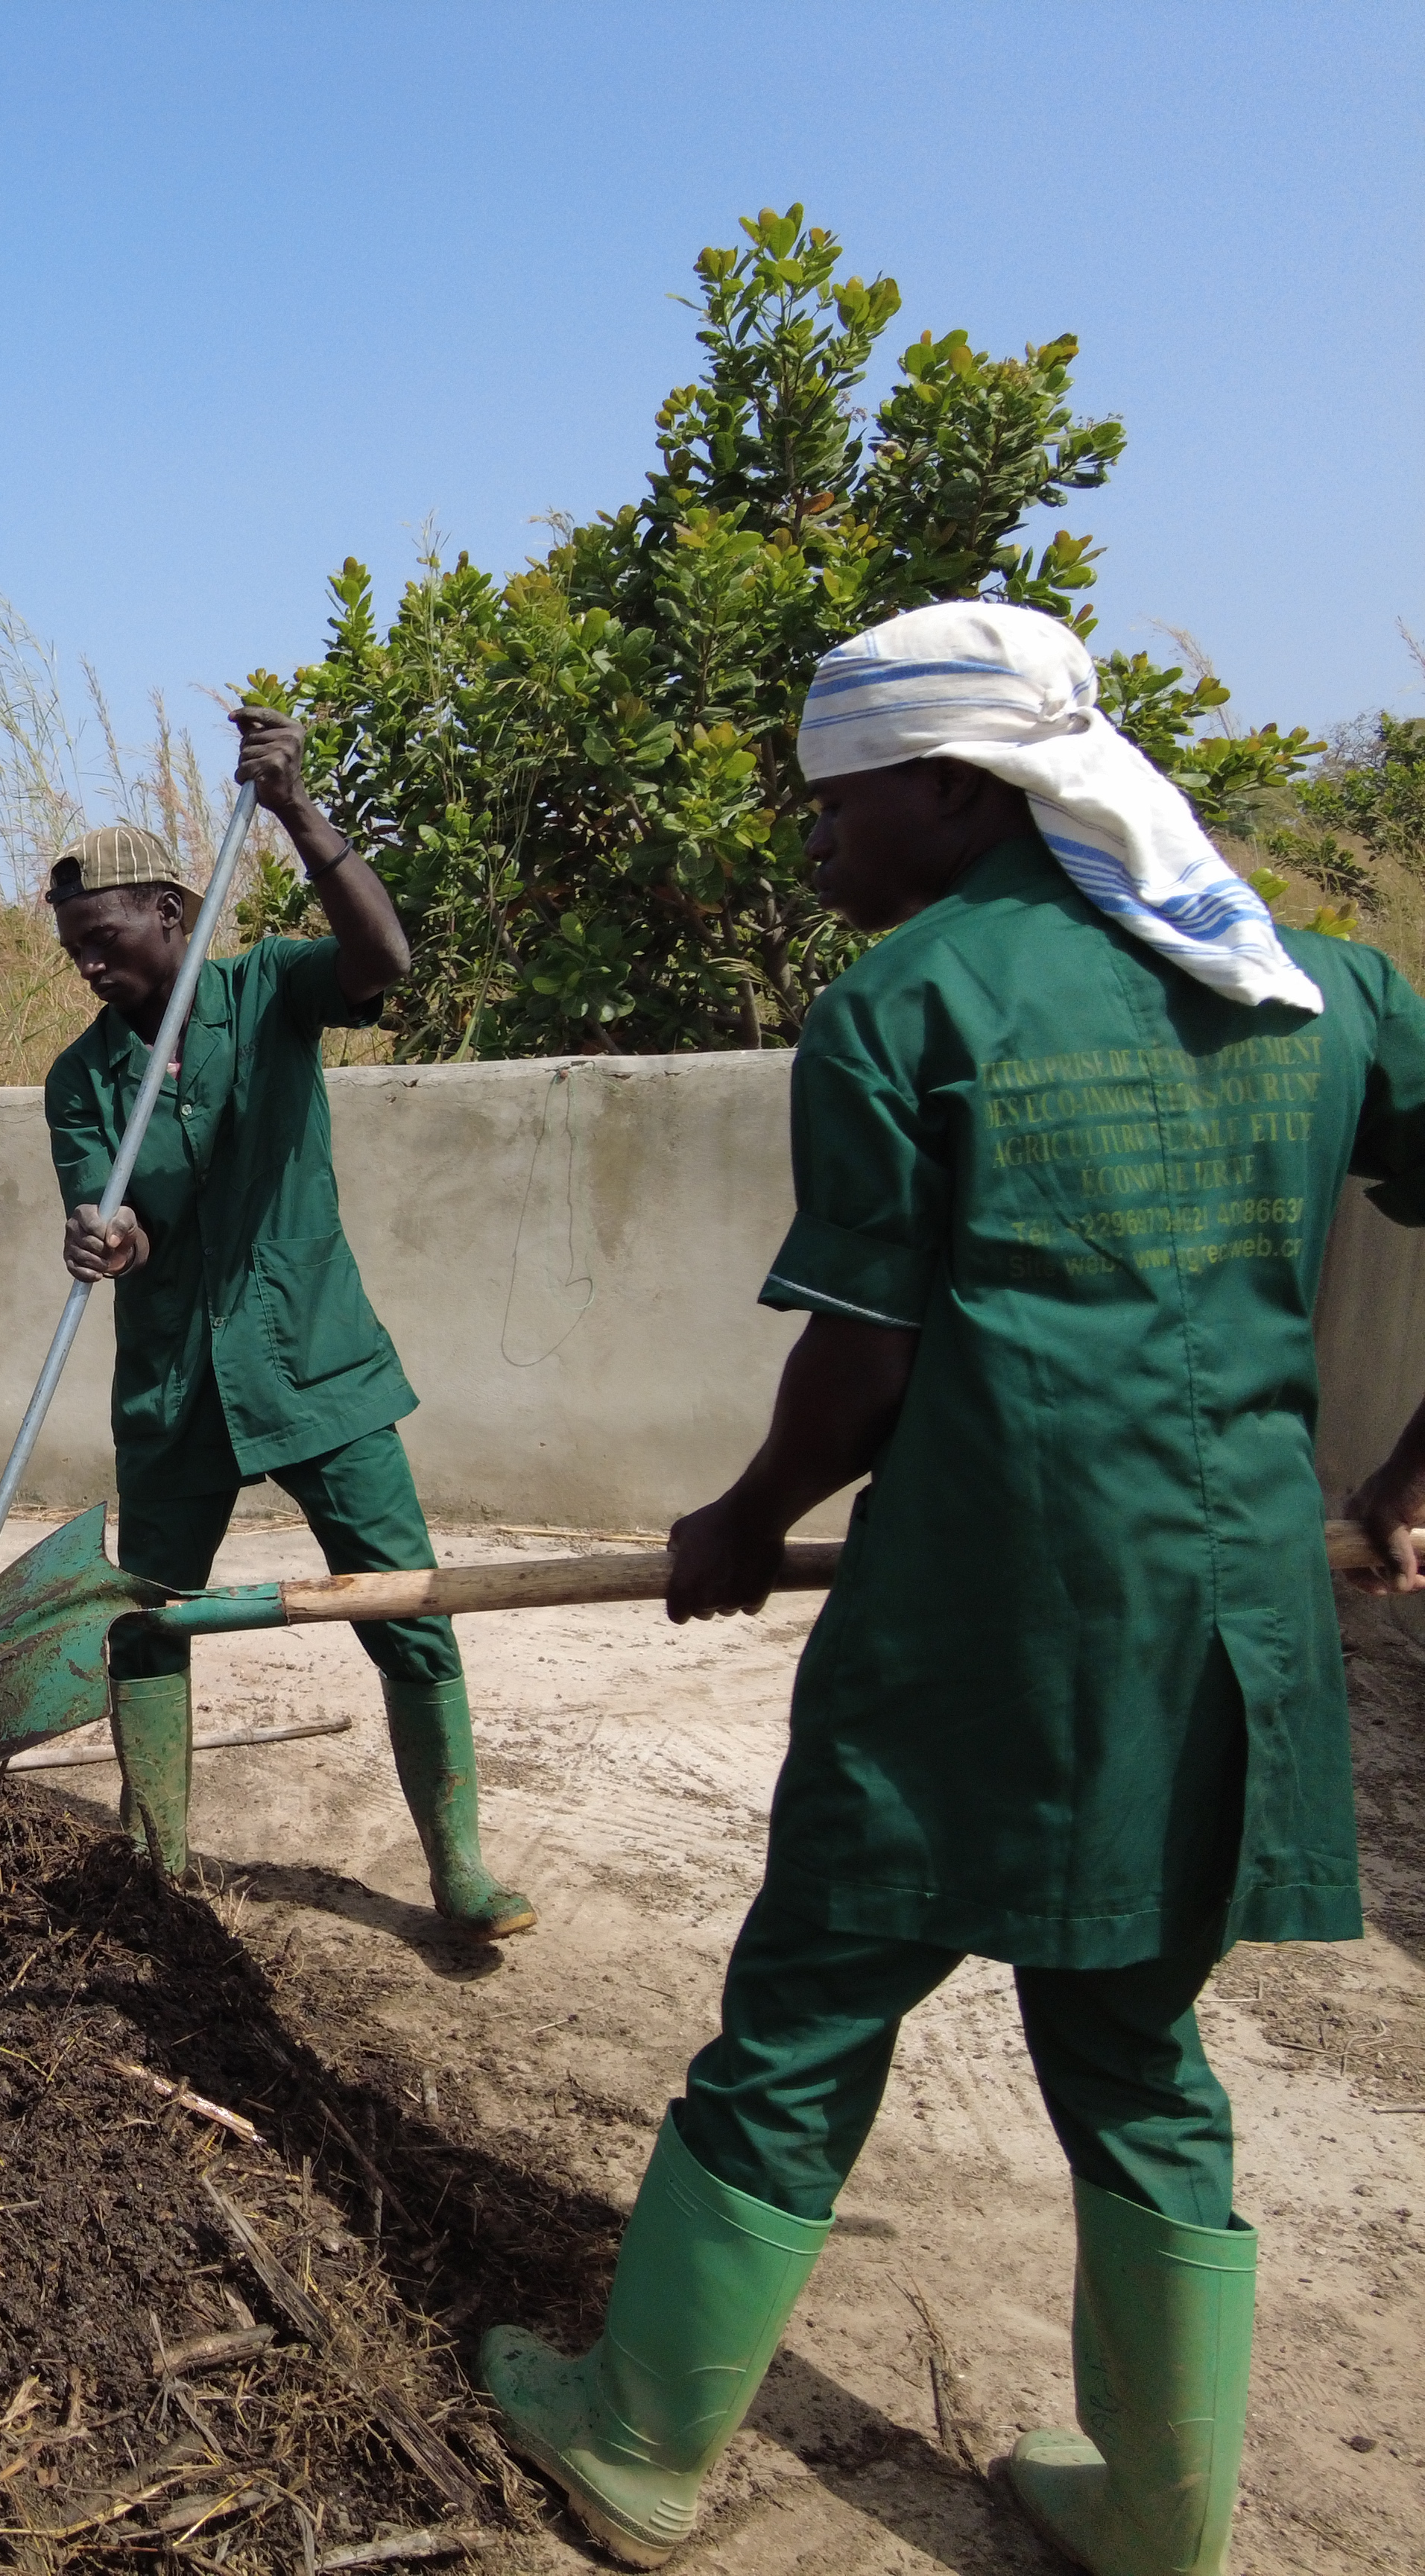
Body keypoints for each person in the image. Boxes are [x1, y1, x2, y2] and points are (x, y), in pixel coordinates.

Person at [479, 600, 1425, 2575]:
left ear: (949, 788)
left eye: (835, 806)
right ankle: (1161, 2518)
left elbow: (871, 1359)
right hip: (1226, 1612)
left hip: (982, 1602)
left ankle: (641, 2442)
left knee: (817, 2000)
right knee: (1133, 2041)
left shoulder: (912, 1006)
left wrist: (743, 1518)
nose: (816, 848)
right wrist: (1415, 1463)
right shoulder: (1315, 987)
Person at [45, 712, 532, 1934]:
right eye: (73, 957)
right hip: (171, 1390)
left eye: (103, 944)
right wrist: (105, 1239)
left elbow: (382, 961)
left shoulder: (267, 991)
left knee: (402, 1607)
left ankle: (455, 1865)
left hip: (315, 1368)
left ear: (169, 911)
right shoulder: (81, 1078)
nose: (90, 971)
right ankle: (154, 1872)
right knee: (147, 1623)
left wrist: (297, 813)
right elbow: (109, 1208)